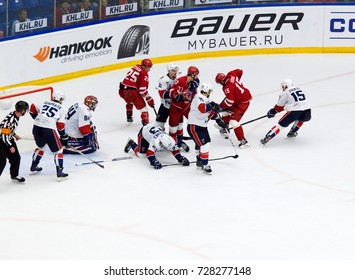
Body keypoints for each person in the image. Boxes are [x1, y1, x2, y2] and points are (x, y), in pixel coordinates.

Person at [29, 91, 69, 181]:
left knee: (41, 147)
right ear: (60, 99)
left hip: (36, 127)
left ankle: (33, 167)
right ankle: (60, 173)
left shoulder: (44, 102)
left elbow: (32, 107)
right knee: (59, 150)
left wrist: (37, 118)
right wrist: (63, 136)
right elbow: (60, 126)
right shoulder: (62, 108)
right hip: (48, 129)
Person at [260, 79, 312, 145]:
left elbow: (278, 107)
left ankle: (268, 137)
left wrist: (272, 112)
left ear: (285, 86)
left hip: (294, 112)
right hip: (307, 111)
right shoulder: (300, 88)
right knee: (301, 119)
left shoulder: (285, 93)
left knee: (280, 126)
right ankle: (292, 132)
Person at [187, 83, 221, 175]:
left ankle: (199, 161)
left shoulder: (206, 99)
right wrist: (211, 105)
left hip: (202, 126)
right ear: (208, 91)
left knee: (201, 144)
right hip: (194, 126)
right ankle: (205, 165)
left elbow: (209, 113)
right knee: (204, 145)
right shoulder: (199, 97)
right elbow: (203, 109)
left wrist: (218, 120)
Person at [123, 123, 190, 169]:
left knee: (171, 147)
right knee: (142, 155)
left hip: (155, 130)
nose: (164, 147)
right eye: (162, 145)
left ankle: (179, 143)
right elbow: (149, 154)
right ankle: (131, 143)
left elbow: (174, 149)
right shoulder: (155, 141)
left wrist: (181, 159)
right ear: (160, 142)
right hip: (144, 132)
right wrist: (154, 161)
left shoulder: (170, 140)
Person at [215, 68, 253, 148]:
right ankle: (225, 128)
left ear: (222, 81)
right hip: (238, 98)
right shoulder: (231, 74)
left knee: (234, 121)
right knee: (224, 111)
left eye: (219, 83)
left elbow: (229, 102)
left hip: (243, 102)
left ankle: (243, 141)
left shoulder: (227, 88)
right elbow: (240, 71)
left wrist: (220, 107)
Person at [168, 66, 200, 149]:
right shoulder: (181, 81)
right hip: (176, 108)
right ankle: (172, 144)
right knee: (173, 128)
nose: (197, 76)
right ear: (192, 74)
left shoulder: (195, 82)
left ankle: (181, 141)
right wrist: (177, 96)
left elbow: (194, 94)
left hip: (186, 107)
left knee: (193, 122)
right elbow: (171, 92)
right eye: (196, 75)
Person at [119, 59, 155, 125]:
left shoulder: (136, 67)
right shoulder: (144, 73)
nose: (149, 69)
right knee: (144, 108)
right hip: (131, 92)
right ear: (144, 66)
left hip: (122, 90)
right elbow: (142, 90)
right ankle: (145, 124)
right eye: (148, 67)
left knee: (130, 100)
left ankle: (129, 115)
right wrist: (149, 98)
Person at [0, 101, 29, 183]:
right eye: (25, 109)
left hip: (8, 138)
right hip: (2, 140)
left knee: (16, 158)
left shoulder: (15, 115)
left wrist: (14, 134)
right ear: (22, 110)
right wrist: (10, 146)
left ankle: (14, 175)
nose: (25, 111)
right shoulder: (11, 120)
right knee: (2, 161)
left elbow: (7, 130)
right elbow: (3, 136)